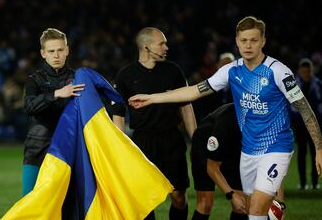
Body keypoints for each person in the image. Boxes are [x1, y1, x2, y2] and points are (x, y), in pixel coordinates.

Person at [129, 16, 322, 220]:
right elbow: (194, 91)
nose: (248, 45)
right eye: (243, 40)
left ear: (263, 41)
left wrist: (319, 149)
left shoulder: (278, 72)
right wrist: (152, 98)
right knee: (251, 209)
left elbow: (306, 110)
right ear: (237, 42)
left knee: (256, 209)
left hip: (276, 147)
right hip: (248, 150)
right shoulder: (231, 71)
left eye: (254, 40)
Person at [112, 27, 197, 220]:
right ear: (146, 46)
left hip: (172, 139)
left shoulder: (173, 71)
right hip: (143, 143)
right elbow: (118, 114)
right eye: (162, 43)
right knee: (144, 199)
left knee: (178, 197)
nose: (166, 47)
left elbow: (186, 107)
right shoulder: (125, 75)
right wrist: (122, 148)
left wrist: (195, 138)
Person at [192, 103, 285, 220]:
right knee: (206, 203)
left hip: (237, 149)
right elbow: (212, 167)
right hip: (205, 146)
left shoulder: (270, 126)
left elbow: (274, 166)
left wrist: (280, 205)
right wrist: (231, 194)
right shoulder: (228, 121)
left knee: (243, 205)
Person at [22, 28, 85, 195]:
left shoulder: (79, 79)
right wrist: (57, 94)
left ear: (67, 51)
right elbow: (28, 107)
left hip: (70, 148)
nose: (56, 55)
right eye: (51, 51)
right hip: (37, 148)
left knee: (68, 204)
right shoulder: (34, 80)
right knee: (29, 200)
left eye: (60, 50)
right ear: (43, 53)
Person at [291, 58, 322, 190]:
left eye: (308, 71)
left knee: (316, 152)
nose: (305, 74)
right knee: (302, 153)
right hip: (300, 125)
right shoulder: (293, 84)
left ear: (311, 71)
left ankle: (315, 182)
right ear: (299, 71)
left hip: (315, 124)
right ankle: (303, 182)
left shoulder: (318, 84)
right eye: (303, 71)